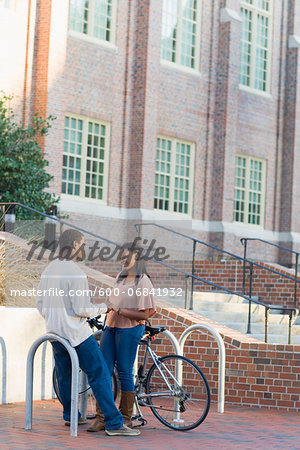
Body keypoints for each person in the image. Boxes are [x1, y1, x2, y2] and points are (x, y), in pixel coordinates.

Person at [36, 229, 140, 436]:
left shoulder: (49, 269)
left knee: (64, 376)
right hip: (76, 333)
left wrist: (54, 318)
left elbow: (40, 303)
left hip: (55, 332)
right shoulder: (76, 273)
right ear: (74, 245)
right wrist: (105, 306)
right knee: (100, 373)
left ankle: (70, 415)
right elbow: (81, 309)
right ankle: (114, 423)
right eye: (82, 244)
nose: (83, 248)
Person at [87, 242, 156, 432]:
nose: (123, 260)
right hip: (111, 327)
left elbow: (146, 314)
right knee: (103, 370)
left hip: (130, 329)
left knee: (124, 371)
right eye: (121, 256)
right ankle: (102, 417)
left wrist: (119, 309)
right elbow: (114, 302)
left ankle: (126, 418)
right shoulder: (120, 277)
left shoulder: (143, 281)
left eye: (127, 256)